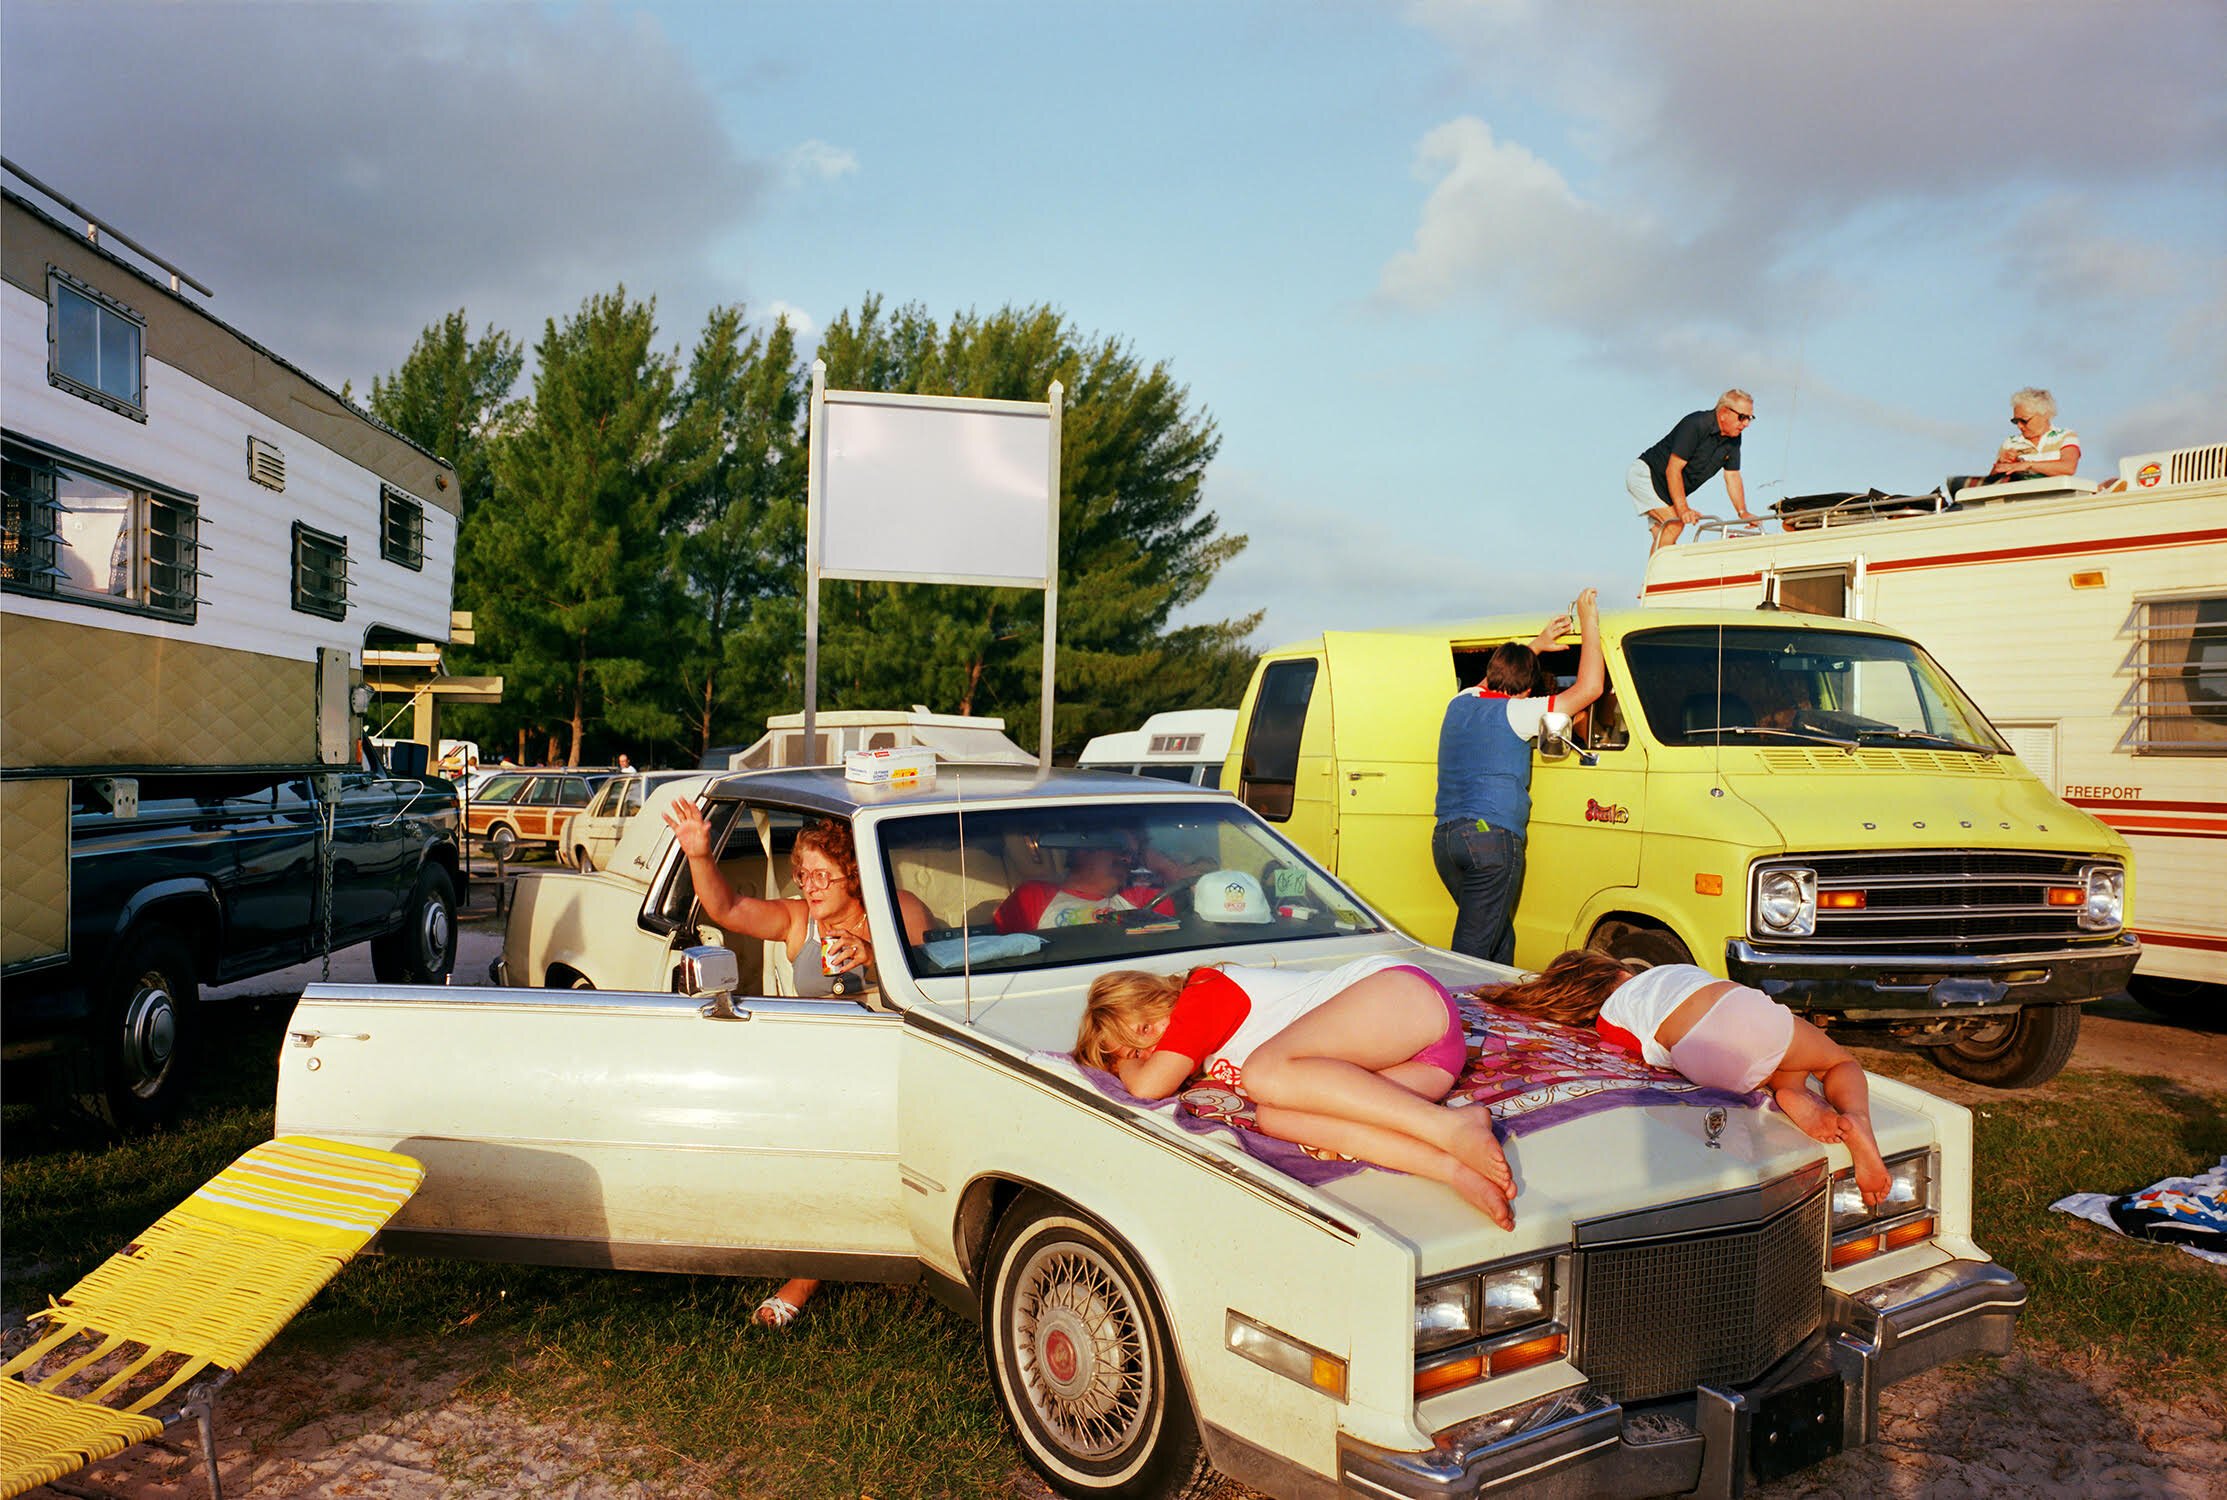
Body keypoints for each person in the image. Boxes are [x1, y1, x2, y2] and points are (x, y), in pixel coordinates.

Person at [661, 799, 933, 1327]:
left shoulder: (897, 908)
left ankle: (806, 1278)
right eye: (802, 874)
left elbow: (935, 976)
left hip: (894, 1062)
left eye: (821, 875)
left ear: (852, 874)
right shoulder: (798, 921)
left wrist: (875, 956)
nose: (810, 885)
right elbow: (727, 909)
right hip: (824, 1070)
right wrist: (698, 853)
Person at [1076, 956, 1517, 1227]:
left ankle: (1449, 1126)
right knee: (1274, 1117)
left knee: (1263, 1074)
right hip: (1427, 1062)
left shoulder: (1202, 995)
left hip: (1401, 997)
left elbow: (1152, 1085)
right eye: (1136, 1050)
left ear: (1155, 995)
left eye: (1145, 1029)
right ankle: (1453, 1169)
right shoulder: (1202, 1055)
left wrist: (1130, 1064)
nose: (1151, 1047)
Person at [1487, 949, 1889, 1204]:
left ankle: (1785, 1089)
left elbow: (1649, 1052)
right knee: (1836, 1063)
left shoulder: (1609, 1019)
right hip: (1742, 1008)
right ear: (1619, 971)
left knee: (1754, 1062)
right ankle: (1855, 1119)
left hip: (1702, 1055)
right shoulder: (1668, 970)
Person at [1433, 589, 1605, 964]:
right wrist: (1589, 621)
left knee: (1497, 941)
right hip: (1490, 842)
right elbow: (1590, 689)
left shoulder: (1460, 701)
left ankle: (1498, 1016)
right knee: (1472, 956)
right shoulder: (1520, 713)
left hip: (1447, 841)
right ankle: (1453, 1017)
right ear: (1528, 690)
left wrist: (1538, 645)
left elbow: (1491, 682)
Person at [1628, 391, 1758, 554]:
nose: (1746, 424)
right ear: (1724, 412)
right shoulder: (1696, 424)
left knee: (1665, 539)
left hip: (1669, 490)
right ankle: (1654, 580)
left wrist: (1742, 511)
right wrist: (1683, 509)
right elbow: (1673, 469)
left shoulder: (1734, 439)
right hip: (1648, 475)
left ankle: (1658, 578)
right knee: (1674, 526)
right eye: (1742, 417)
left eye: (1750, 418)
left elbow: (1732, 475)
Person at [992, 839, 1180, 932]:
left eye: (1133, 854)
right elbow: (1007, 958)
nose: (1128, 859)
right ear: (1083, 851)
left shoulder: (1147, 896)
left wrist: (1163, 864)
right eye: (1120, 850)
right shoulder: (1033, 896)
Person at [1954, 388, 2080, 495]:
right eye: (2015, 421)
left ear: (2045, 415)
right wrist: (2002, 463)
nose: (2019, 426)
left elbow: (2068, 467)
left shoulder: (2065, 436)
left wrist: (2028, 465)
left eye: (2024, 420)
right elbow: (1991, 484)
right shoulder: (2011, 442)